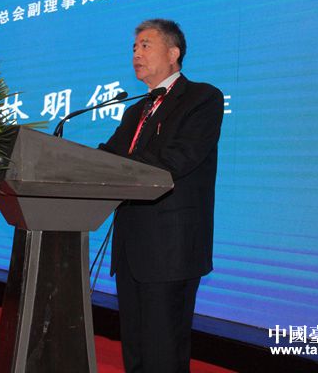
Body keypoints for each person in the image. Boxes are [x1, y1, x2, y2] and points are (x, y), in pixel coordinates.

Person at [99, 19, 224, 372]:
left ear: (173, 53)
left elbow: (178, 159)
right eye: (133, 47)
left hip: (171, 248)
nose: (136, 54)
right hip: (131, 248)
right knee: (135, 351)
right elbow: (108, 156)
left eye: (145, 45)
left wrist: (118, 163)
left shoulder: (202, 98)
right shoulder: (135, 110)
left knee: (164, 352)